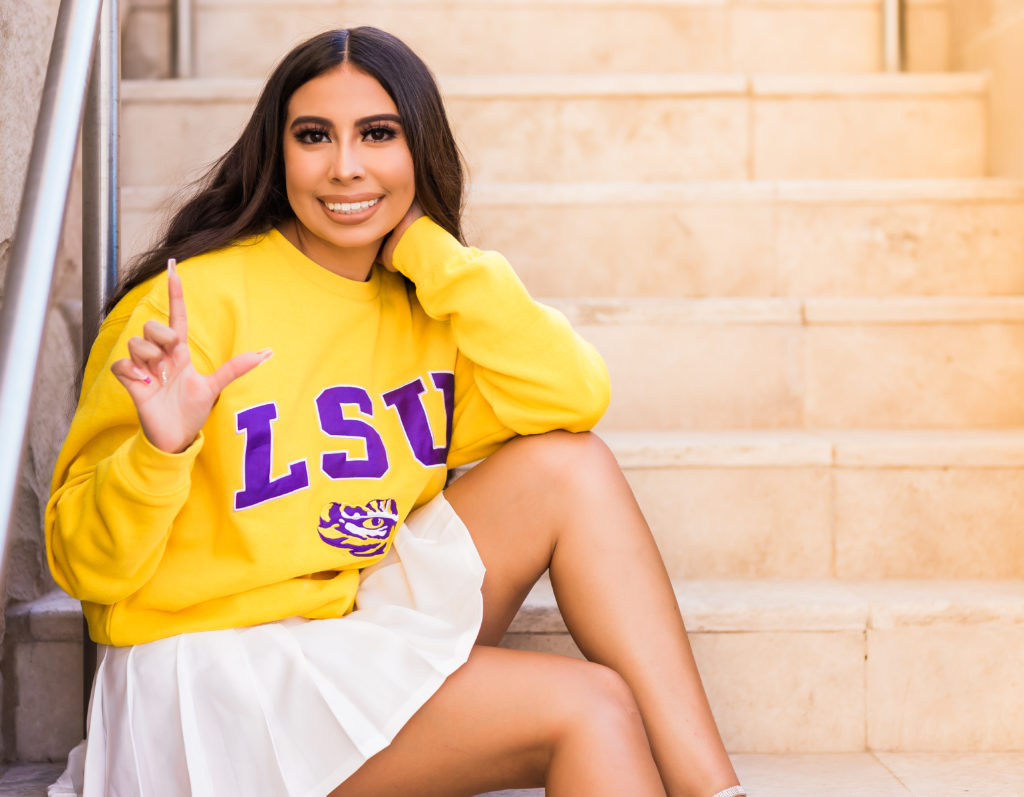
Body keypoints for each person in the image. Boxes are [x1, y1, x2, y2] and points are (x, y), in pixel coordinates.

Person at [46, 26, 746, 797]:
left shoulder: (426, 305)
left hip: (349, 629)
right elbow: (85, 568)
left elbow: (574, 398)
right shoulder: (188, 309)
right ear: (278, 156)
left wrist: (428, 248)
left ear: (420, 148)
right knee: (592, 705)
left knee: (570, 467)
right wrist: (161, 452)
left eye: (378, 134)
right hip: (214, 675)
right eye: (314, 136)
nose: (346, 166)